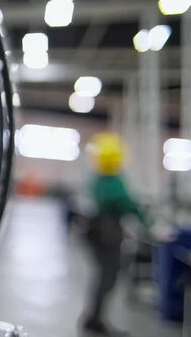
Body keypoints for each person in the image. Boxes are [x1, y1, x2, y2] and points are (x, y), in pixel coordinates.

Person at [82, 133, 151, 335]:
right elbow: (127, 204)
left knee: (103, 277)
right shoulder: (113, 182)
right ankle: (95, 320)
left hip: (95, 233)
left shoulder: (97, 179)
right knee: (108, 277)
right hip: (107, 235)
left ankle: (93, 318)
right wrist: (147, 222)